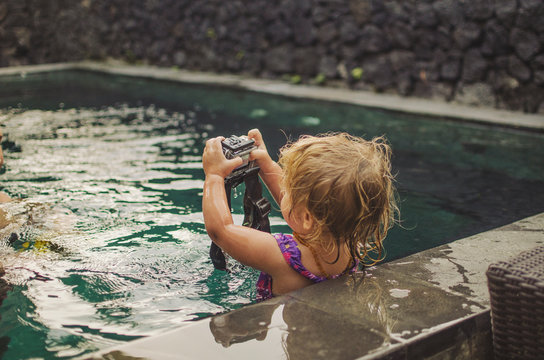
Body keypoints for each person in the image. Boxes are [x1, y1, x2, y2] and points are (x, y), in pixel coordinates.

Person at [202, 129, 397, 301]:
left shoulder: (279, 256)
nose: (283, 189)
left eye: (288, 188)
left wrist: (214, 175)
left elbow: (221, 230)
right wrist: (266, 164)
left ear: (306, 218)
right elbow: (300, 209)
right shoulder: (349, 241)